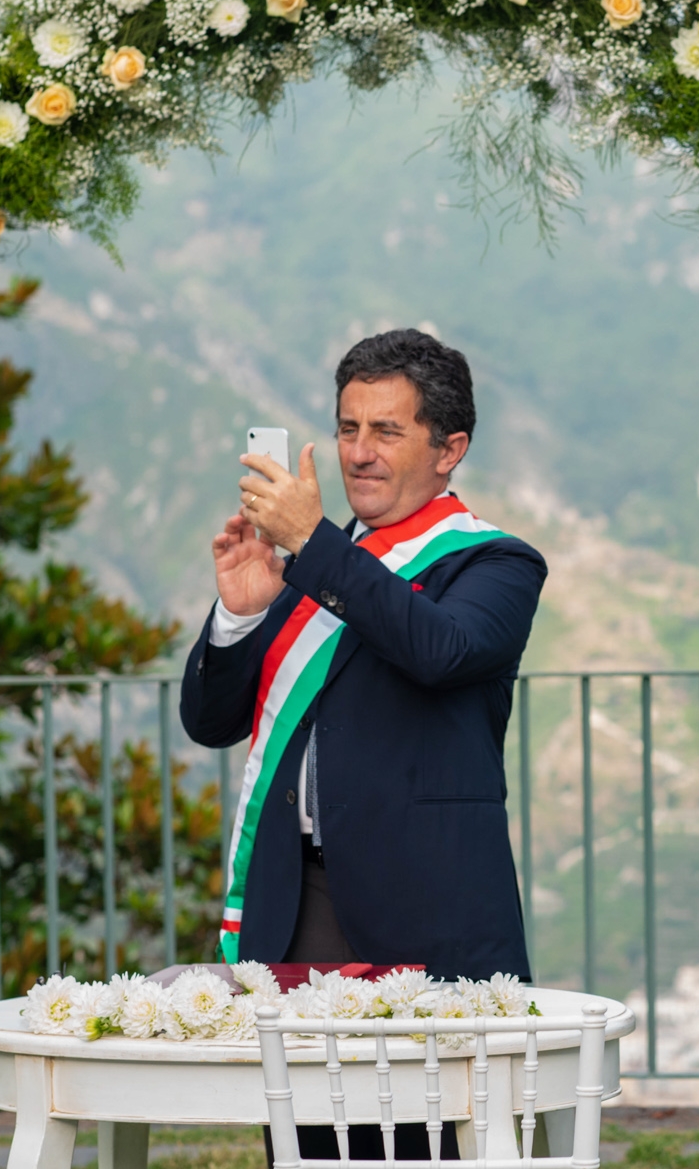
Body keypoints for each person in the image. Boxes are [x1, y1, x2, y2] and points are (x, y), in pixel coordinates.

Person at [181, 328, 544, 986]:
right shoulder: (310, 566)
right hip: (296, 896)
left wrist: (313, 545)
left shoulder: (497, 562)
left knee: (430, 1092)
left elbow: (439, 649)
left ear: (449, 449)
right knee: (290, 1090)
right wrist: (239, 612)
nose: (359, 453)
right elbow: (210, 722)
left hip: (426, 904)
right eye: (348, 429)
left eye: (386, 431)